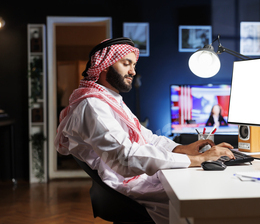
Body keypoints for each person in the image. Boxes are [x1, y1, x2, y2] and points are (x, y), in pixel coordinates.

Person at [54, 37, 234, 224]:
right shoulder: (92, 105)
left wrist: (183, 149)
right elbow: (125, 157)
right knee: (207, 199)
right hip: (132, 184)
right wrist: (197, 159)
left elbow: (147, 138)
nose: (133, 71)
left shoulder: (108, 99)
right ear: (105, 65)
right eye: (126, 64)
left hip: (136, 177)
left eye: (133, 65)